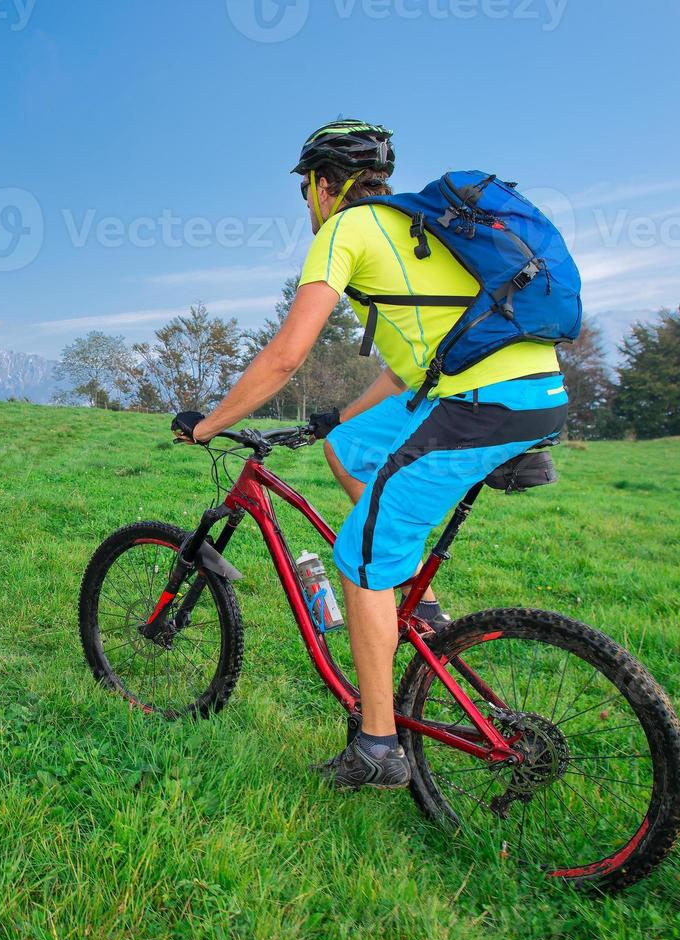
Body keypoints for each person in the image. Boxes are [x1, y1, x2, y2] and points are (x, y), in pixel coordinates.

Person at [173, 119, 569, 789]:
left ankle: (377, 748)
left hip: (480, 408)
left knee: (357, 563)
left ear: (326, 185)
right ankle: (425, 609)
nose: (305, 203)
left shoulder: (344, 232)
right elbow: (402, 367)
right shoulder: (414, 232)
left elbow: (284, 356)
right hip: (532, 394)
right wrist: (336, 417)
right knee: (351, 447)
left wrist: (209, 425)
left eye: (305, 189)